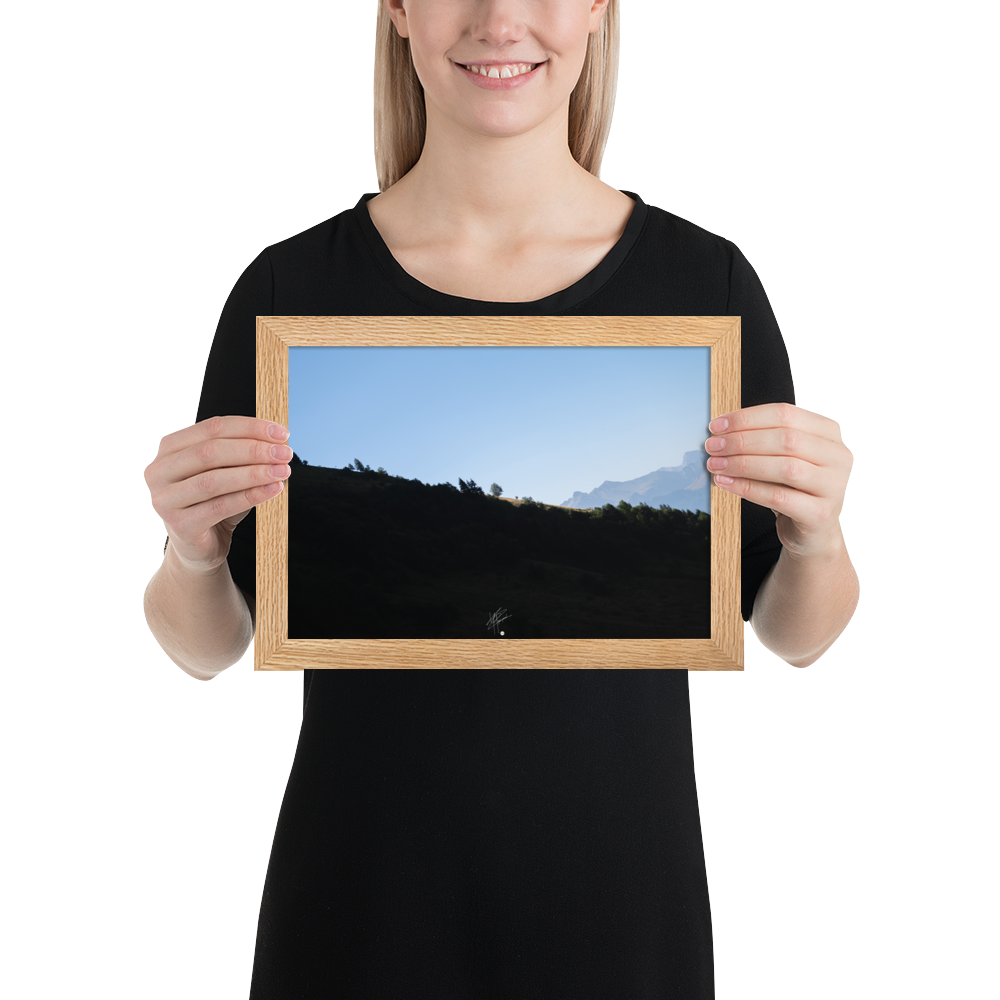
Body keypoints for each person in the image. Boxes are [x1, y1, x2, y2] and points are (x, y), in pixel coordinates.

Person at [143, 1, 859, 996]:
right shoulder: (288, 286)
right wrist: (191, 551)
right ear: (396, 10)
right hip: (356, 911)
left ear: (603, 9)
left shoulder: (708, 280)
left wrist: (817, 537)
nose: (500, 18)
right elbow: (206, 646)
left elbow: (795, 635)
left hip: (621, 911)